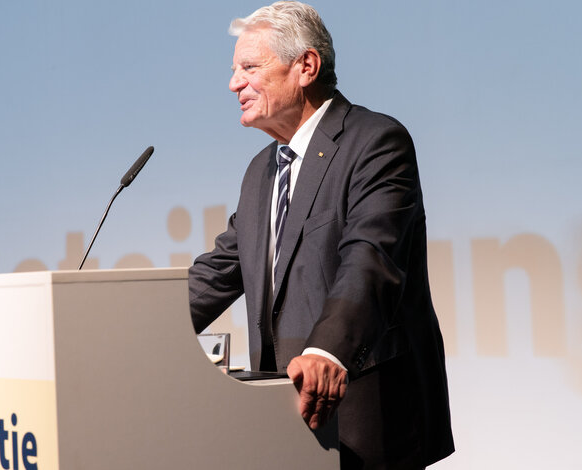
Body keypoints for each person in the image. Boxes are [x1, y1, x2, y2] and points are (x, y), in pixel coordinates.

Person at [188, 2, 454, 468]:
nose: (234, 84)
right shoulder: (261, 171)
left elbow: (370, 261)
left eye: (249, 67)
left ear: (305, 67)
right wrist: (140, 326)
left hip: (366, 417)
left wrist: (325, 350)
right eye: (234, 70)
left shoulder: (375, 143)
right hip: (282, 423)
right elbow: (219, 272)